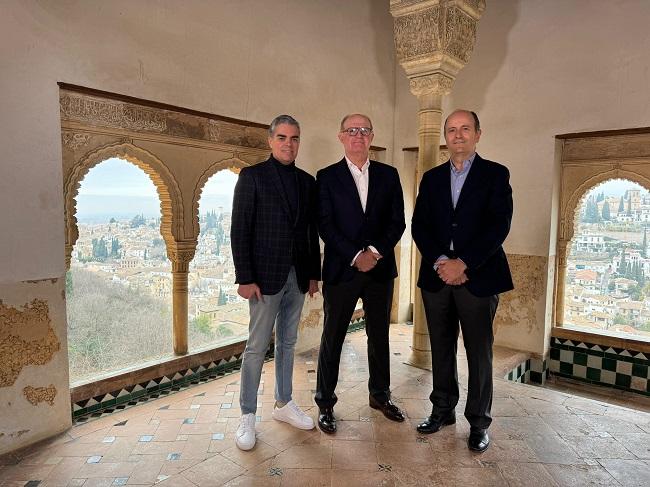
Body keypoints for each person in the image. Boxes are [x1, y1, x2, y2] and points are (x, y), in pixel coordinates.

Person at [411, 109, 513, 453]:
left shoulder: (496, 175)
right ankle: (443, 410)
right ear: (446, 136)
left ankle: (479, 423)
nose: (457, 135)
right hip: (438, 277)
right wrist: (443, 262)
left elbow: (498, 226)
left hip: (478, 277)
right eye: (451, 130)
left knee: (478, 352)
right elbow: (420, 225)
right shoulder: (432, 177)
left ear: (478, 134)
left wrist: (464, 263)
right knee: (440, 347)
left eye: (464, 129)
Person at [230, 114, 321, 451]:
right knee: (256, 348)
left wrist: (313, 273)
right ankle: (247, 416)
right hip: (264, 278)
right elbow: (240, 229)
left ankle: (284, 404)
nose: (288, 143)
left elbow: (310, 232)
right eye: (282, 137)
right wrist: (245, 277)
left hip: (297, 276)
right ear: (270, 140)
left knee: (287, 343)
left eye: (294, 138)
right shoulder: (252, 177)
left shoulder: (307, 182)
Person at [314, 113, 406, 434]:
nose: (358, 136)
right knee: (333, 336)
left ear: (371, 136)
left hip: (380, 269)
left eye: (364, 131)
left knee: (379, 335)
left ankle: (380, 395)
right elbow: (325, 224)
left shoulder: (390, 175)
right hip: (343, 269)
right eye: (351, 131)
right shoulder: (325, 177)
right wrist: (356, 255)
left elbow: (398, 222)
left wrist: (374, 253)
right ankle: (325, 402)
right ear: (341, 136)